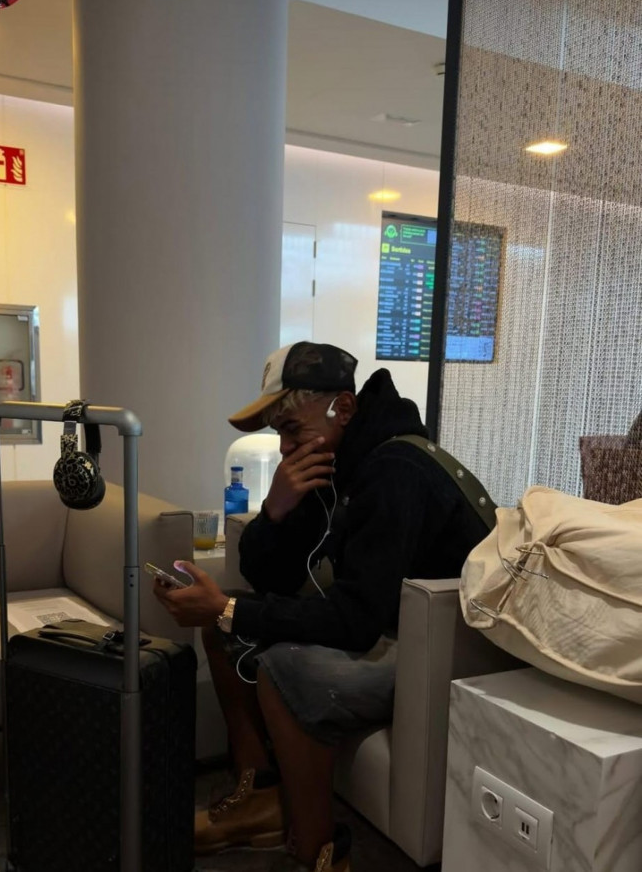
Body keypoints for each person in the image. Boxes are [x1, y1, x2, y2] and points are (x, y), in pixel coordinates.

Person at [154, 341, 490, 872]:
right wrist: (275, 509)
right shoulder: (332, 465)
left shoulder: (395, 470)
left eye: (291, 427)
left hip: (442, 657)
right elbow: (272, 576)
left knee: (284, 667)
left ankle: (319, 853)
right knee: (223, 631)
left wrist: (227, 608)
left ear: (344, 408)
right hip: (388, 626)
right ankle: (261, 798)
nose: (285, 446)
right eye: (279, 432)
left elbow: (355, 621)